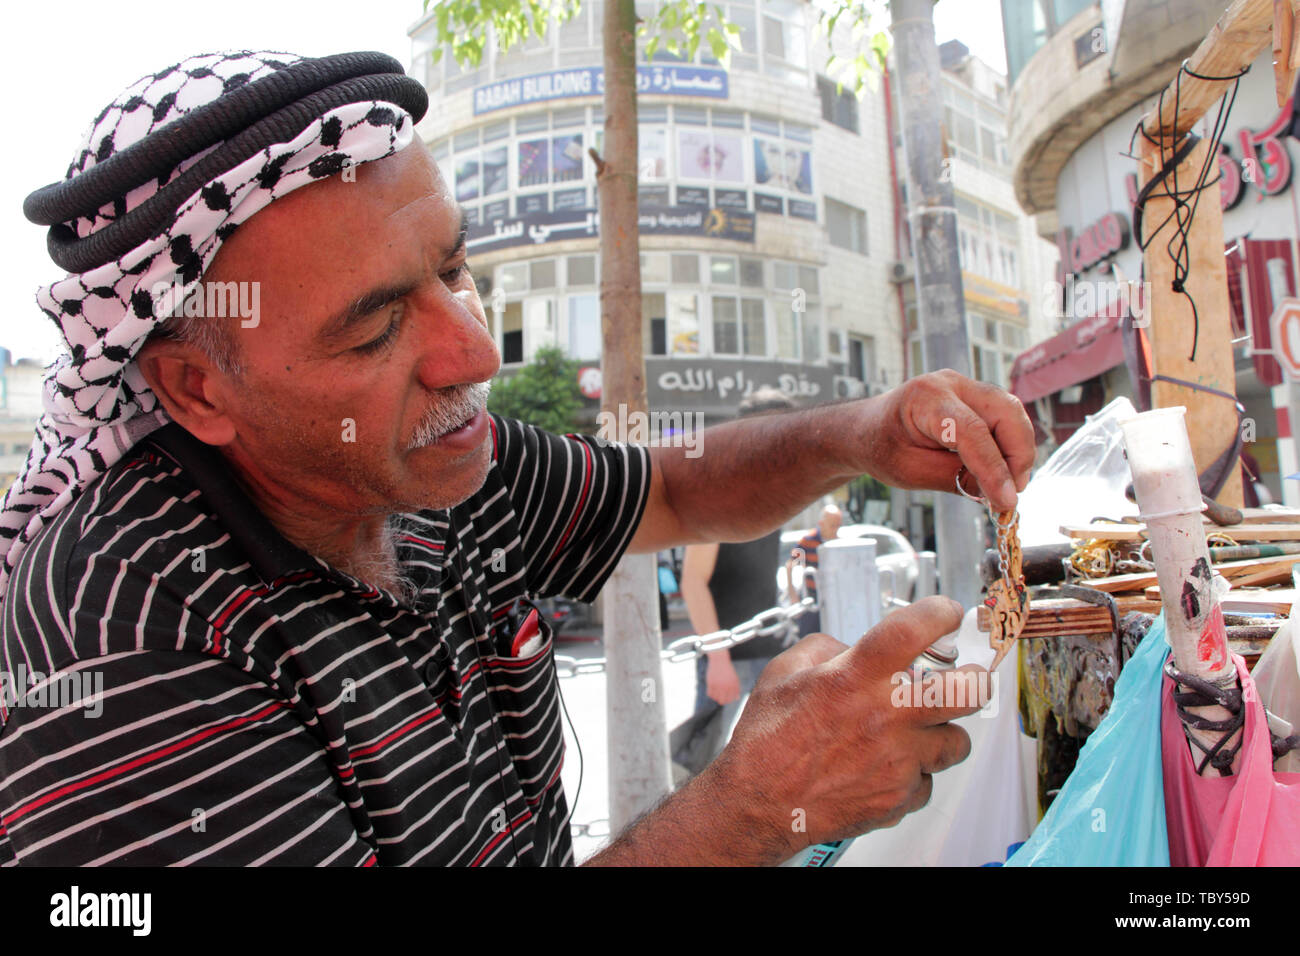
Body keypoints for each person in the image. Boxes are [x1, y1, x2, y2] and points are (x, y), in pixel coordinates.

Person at [0, 51, 1036, 867]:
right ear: (198, 389)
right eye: (371, 332)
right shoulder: (120, 627)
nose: (476, 353)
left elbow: (670, 484)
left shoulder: (443, 469)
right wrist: (754, 807)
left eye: (453, 269)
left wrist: (855, 432)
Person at [675, 389, 794, 775]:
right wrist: (718, 659)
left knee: (768, 773)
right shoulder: (720, 488)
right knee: (710, 779)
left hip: (770, 653)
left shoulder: (776, 489)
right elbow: (693, 582)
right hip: (730, 659)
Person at [785, 502, 842, 638]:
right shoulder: (807, 541)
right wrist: (792, 594)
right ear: (821, 523)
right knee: (809, 636)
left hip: (834, 596)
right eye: (832, 525)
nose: (835, 529)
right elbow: (790, 566)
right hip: (812, 596)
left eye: (838, 525)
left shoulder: (839, 542)